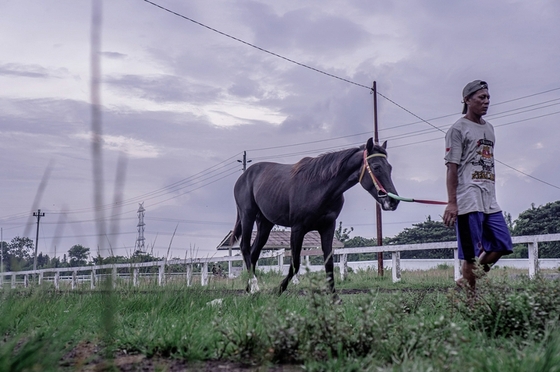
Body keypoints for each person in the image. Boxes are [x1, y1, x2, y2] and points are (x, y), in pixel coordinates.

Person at [443, 80, 513, 291]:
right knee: (470, 255)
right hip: (468, 199)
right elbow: (451, 168)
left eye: (488, 98)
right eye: (481, 98)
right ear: (467, 100)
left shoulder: (490, 129)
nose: (486, 102)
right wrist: (452, 203)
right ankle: (472, 303)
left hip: (489, 199)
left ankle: (463, 284)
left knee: (502, 244)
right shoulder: (457, 129)